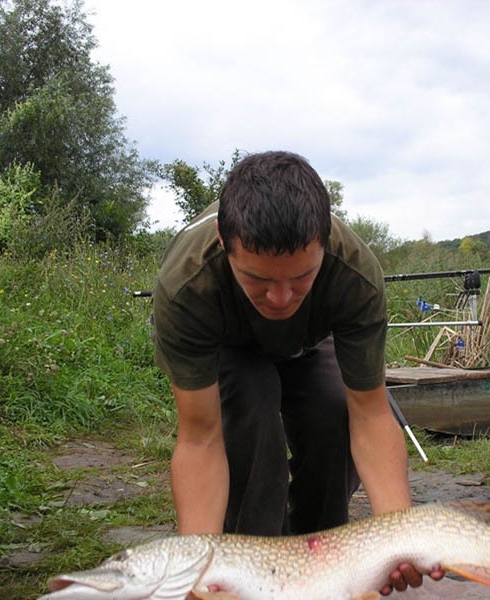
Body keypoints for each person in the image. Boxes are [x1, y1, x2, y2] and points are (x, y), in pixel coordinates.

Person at [151, 151, 442, 595]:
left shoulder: (354, 275)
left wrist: (397, 537)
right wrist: (197, 566)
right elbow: (199, 438)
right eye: (259, 280)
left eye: (301, 277)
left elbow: (370, 415)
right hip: (230, 347)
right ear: (223, 242)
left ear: (324, 243)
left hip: (310, 342)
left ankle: (322, 560)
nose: (282, 298)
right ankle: (248, 564)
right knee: (251, 406)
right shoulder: (187, 286)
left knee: (334, 409)